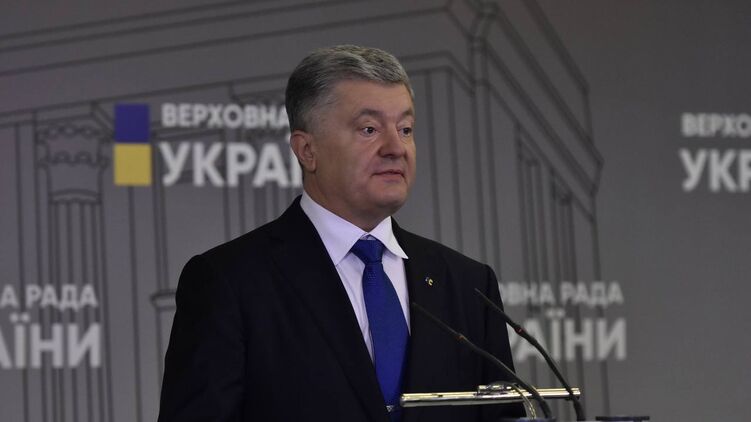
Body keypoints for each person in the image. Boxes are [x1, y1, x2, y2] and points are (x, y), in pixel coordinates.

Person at [158, 45, 524, 422]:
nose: (395, 148)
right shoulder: (230, 282)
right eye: (369, 129)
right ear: (307, 150)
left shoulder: (467, 284)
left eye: (405, 129)